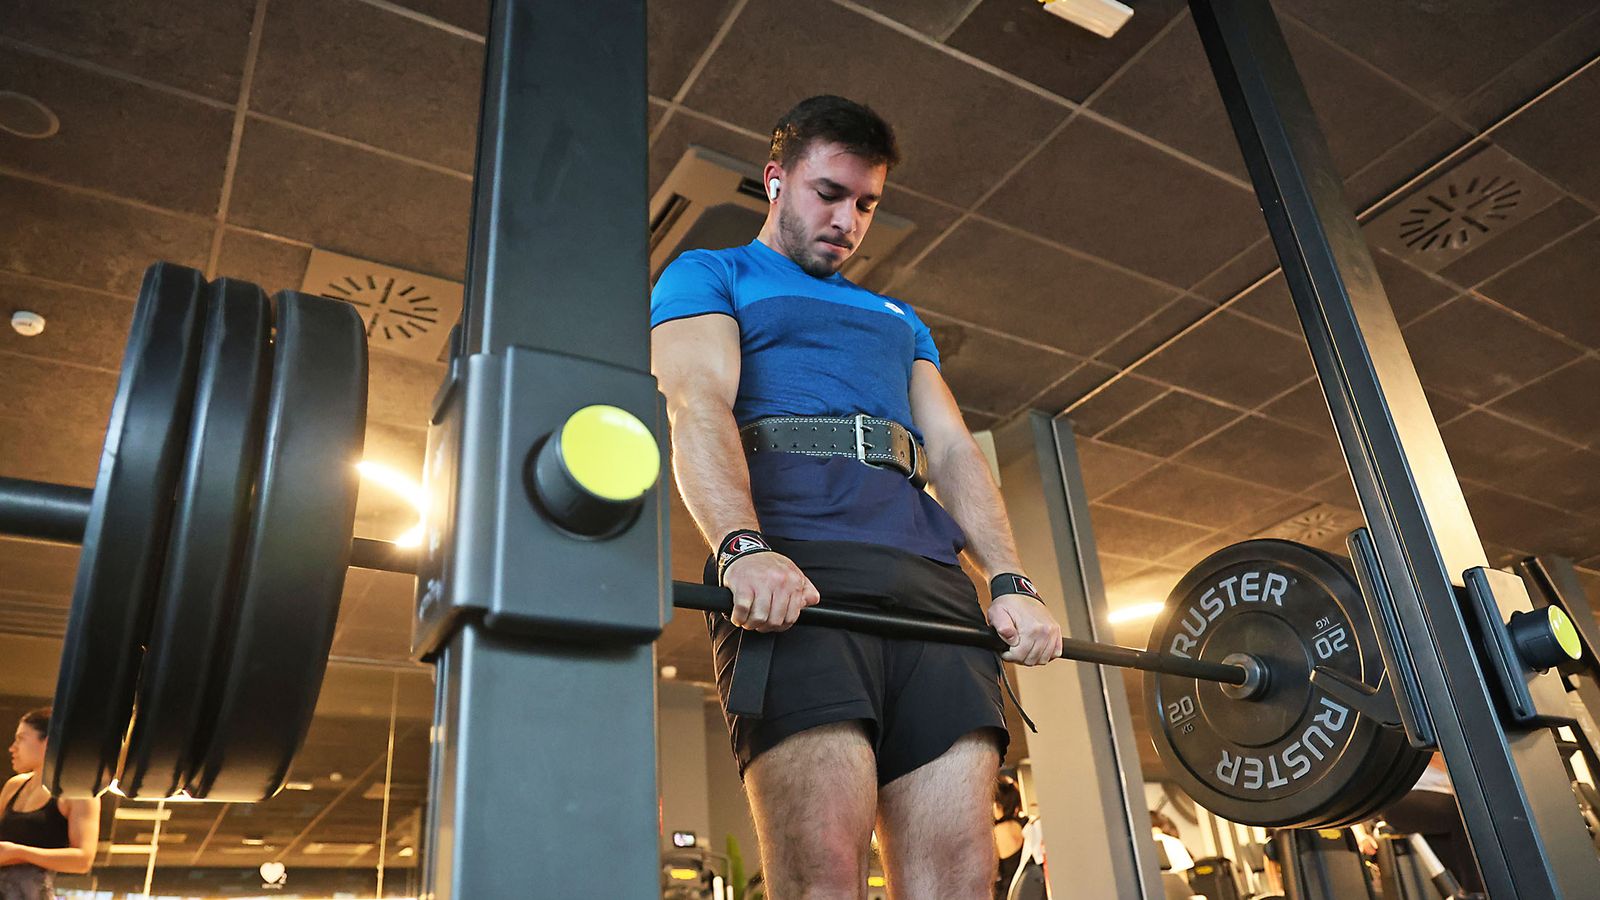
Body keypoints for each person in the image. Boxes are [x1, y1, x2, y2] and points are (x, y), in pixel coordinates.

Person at [652, 95, 1062, 898]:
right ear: (776, 181)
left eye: (867, 204)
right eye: (828, 194)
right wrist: (741, 546)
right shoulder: (713, 272)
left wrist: (1011, 579)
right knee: (821, 882)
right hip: (801, 580)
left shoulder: (898, 317)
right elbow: (696, 401)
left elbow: (949, 448)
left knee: (958, 884)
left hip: (935, 592)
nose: (849, 219)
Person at [0, 708, 99, 899]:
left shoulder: (78, 793)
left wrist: (19, 852)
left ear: (48, 742)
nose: (13, 747)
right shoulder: (15, 785)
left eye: (21, 739)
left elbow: (83, 860)